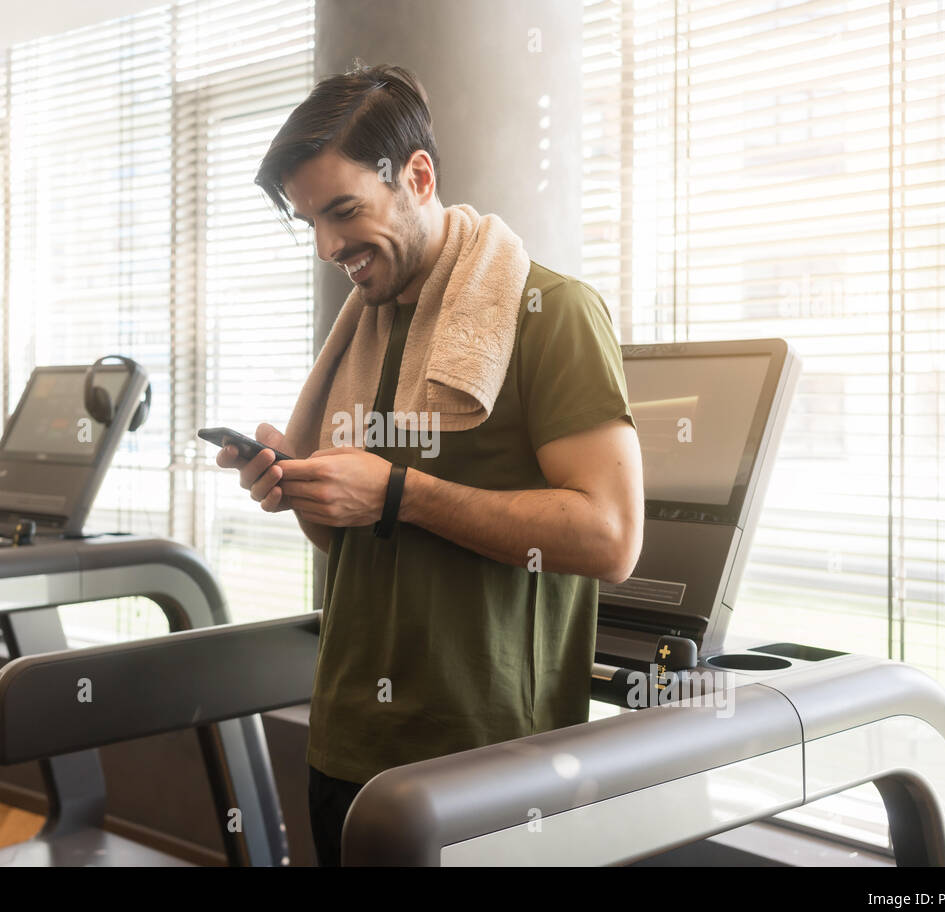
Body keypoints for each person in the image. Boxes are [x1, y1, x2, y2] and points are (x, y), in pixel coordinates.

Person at [217, 62, 643, 866]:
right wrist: (303, 487)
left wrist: (398, 493)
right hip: (344, 749)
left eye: (343, 211)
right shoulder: (367, 327)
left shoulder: (552, 317)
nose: (328, 246)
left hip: (490, 768)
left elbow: (611, 535)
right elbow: (356, 548)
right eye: (309, 221)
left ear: (417, 176)